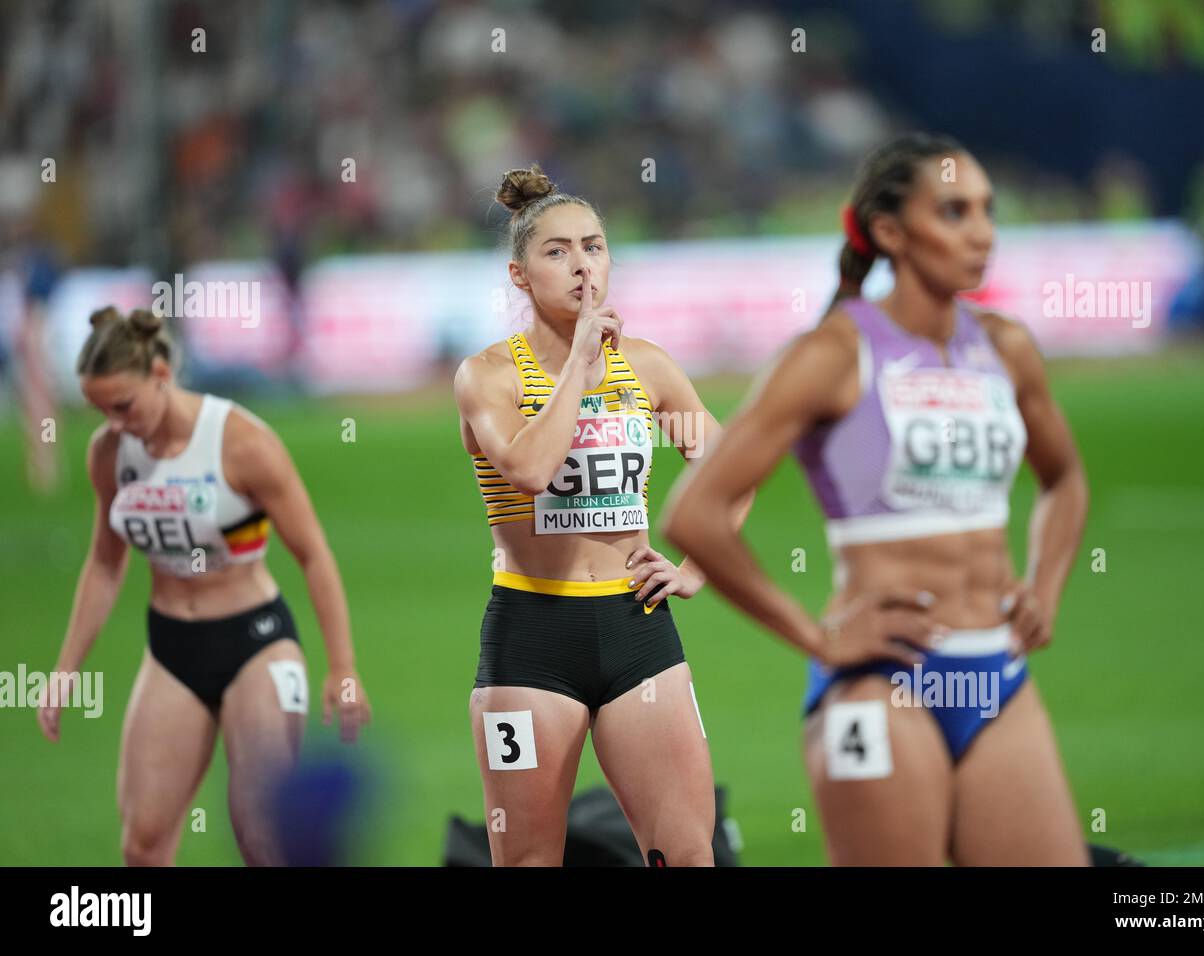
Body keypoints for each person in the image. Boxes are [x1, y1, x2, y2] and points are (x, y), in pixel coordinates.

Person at [662, 134, 1090, 865]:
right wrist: (818, 637)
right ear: (891, 232)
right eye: (954, 212)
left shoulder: (1007, 348)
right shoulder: (833, 353)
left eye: (987, 210)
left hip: (999, 678)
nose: (982, 231)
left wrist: (1045, 586)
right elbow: (693, 513)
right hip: (880, 688)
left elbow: (1066, 479)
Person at [454, 164, 751, 866]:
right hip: (530, 640)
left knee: (687, 855)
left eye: (593, 245)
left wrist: (701, 567)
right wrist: (579, 365)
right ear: (520, 275)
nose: (581, 264)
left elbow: (732, 469)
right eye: (556, 251)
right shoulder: (488, 375)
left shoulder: (646, 367)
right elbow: (526, 470)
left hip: (635, 629)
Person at [40, 306, 371, 865]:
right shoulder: (109, 452)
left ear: (161, 376)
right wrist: (66, 668)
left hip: (256, 643)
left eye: (123, 405)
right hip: (171, 649)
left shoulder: (241, 442)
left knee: (263, 837)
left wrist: (342, 668)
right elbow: (104, 564)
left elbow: (313, 555)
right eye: (99, 410)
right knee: (142, 845)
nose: (113, 424)